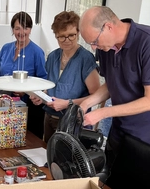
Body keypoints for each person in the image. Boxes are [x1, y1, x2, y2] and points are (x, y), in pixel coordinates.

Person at [79, 6, 150, 189]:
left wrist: (102, 112)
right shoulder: (105, 48)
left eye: (94, 41)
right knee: (113, 187)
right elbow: (111, 84)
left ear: (108, 27)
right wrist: (87, 103)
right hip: (121, 131)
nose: (93, 47)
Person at [30, 11, 100, 143]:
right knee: (49, 155)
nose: (66, 40)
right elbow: (50, 87)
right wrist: (40, 96)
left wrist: (67, 103)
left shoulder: (85, 59)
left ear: (78, 33)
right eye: (61, 37)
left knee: (68, 159)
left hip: (73, 121)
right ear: (56, 36)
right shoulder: (52, 57)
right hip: (49, 117)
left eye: (71, 35)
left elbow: (96, 95)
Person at [0, 11, 47, 139]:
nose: (21, 32)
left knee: (27, 141)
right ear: (13, 30)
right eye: (17, 28)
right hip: (4, 103)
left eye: (26, 28)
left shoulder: (37, 52)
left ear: (30, 29)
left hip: (28, 107)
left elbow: (43, 79)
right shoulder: (6, 48)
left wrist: (25, 91)